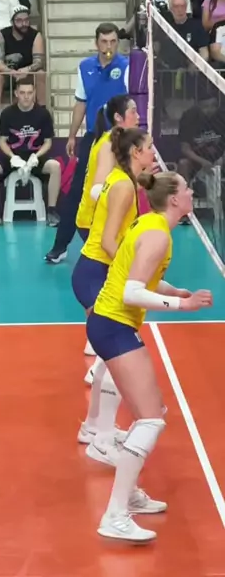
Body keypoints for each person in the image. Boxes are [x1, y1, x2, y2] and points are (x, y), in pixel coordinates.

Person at [87, 172, 213, 542]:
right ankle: (115, 515)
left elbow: (139, 274)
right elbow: (133, 292)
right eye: (186, 188)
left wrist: (174, 290)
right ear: (174, 199)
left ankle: (128, 494)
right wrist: (183, 305)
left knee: (152, 414)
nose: (191, 191)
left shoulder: (150, 223)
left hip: (109, 322)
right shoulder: (158, 235)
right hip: (114, 324)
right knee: (151, 420)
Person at [73, 127, 155, 468]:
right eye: (149, 147)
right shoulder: (122, 185)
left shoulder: (125, 180)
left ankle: (94, 427)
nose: (153, 151)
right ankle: (101, 438)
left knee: (108, 358)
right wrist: (133, 270)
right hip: (95, 273)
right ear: (135, 152)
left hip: (97, 272)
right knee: (118, 356)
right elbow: (108, 240)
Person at [45, 23, 129, 264]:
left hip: (121, 138)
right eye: (104, 41)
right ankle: (60, 247)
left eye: (113, 41)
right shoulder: (85, 67)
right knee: (77, 192)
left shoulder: (127, 67)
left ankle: (125, 249)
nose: (108, 46)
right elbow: (81, 103)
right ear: (96, 43)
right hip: (94, 138)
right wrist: (72, 135)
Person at [75, 95, 140, 372]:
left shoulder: (122, 143)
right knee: (105, 281)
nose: (138, 115)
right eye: (133, 111)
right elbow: (96, 188)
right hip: (93, 220)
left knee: (105, 284)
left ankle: (97, 340)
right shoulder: (108, 144)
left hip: (104, 220)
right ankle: (101, 344)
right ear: (118, 117)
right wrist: (119, 195)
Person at [0, 76, 61, 228]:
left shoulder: (43, 114)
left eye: (29, 93)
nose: (26, 96)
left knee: (55, 166)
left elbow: (48, 142)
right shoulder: (7, 114)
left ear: (34, 93)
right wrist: (12, 157)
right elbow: (2, 141)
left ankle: (52, 211)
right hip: (13, 158)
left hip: (35, 158)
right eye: (22, 93)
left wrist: (36, 156)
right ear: (16, 93)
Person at [0, 5, 45, 115]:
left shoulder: (35, 35)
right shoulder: (2, 35)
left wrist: (27, 70)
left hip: (28, 73)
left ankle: (42, 112)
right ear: (12, 22)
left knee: (41, 73)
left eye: (26, 20)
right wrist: (10, 71)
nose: (24, 24)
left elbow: (39, 61)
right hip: (8, 74)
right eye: (19, 21)